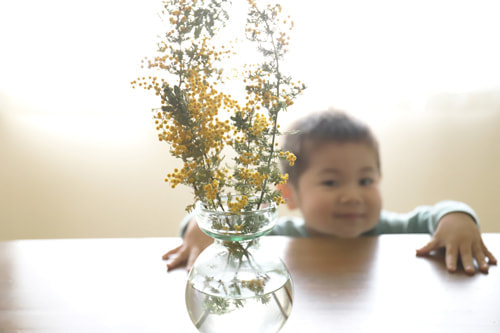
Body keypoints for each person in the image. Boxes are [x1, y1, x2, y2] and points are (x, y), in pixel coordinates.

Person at [163, 109, 497, 274]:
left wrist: (459, 218)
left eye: (366, 181)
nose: (353, 195)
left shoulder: (390, 230)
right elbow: (213, 229)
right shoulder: (280, 237)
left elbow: (435, 214)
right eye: (331, 182)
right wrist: (197, 228)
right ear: (290, 195)